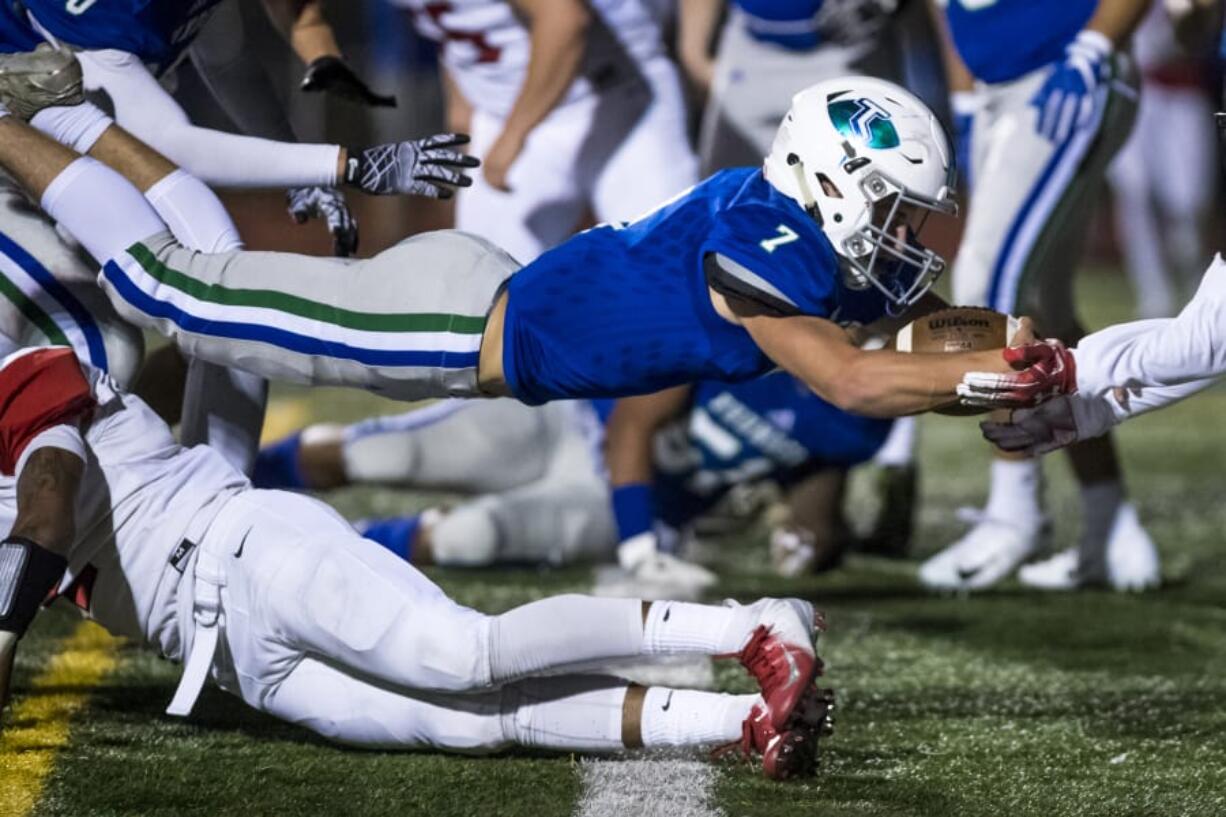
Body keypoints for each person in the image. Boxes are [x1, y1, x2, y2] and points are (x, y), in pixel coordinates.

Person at [0, 343, 833, 779]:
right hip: (226, 660)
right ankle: (744, 724)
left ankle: (751, 625)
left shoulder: (21, 379)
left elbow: (50, 489)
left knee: (463, 651)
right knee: (472, 724)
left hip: (247, 552)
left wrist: (6, 629)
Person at [915, 0, 1156, 593]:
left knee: (988, 293)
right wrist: (965, 97)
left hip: (1063, 75)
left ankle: (1014, 511)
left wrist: (1092, 47)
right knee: (1042, 306)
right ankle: (1108, 519)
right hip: (1004, 88)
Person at [254, 372, 890, 585]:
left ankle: (295, 560)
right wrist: (640, 544)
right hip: (574, 421)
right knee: (387, 457)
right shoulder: (764, 312)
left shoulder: (859, 418)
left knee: (468, 539)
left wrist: (814, 534)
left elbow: (816, 478)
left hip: (630, 502)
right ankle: (232, 478)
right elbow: (633, 427)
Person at [381, 0, 698, 263]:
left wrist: (513, 135)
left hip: (618, 98)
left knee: (670, 270)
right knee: (484, 288)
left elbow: (564, 20)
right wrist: (462, 106)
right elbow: (454, 23)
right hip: (506, 109)